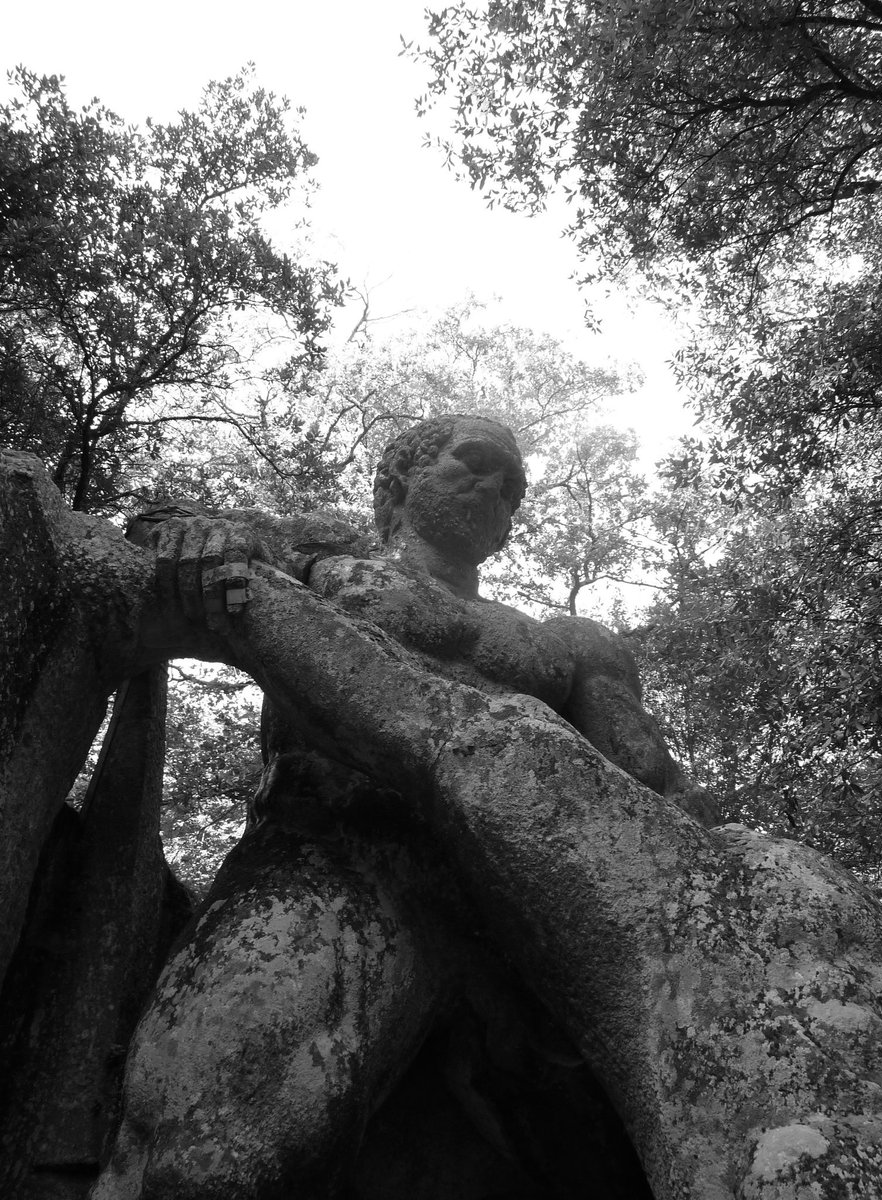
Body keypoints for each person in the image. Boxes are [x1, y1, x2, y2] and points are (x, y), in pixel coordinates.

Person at [93, 415, 710, 1200]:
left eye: (514, 487)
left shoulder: (566, 643)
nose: (498, 489)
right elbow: (161, 531)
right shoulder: (322, 557)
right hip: (337, 856)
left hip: (530, 912)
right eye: (475, 464)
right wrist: (187, 535)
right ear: (401, 476)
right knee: (204, 1161)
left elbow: (647, 781)